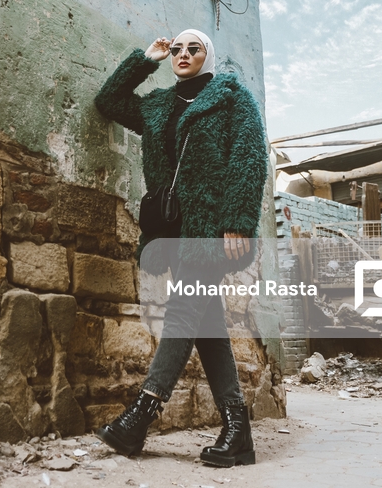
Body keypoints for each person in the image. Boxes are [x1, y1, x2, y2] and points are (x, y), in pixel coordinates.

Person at [92, 30, 268, 468]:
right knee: (206, 325)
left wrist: (237, 221)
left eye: (194, 48)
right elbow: (109, 102)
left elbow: (249, 156)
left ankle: (141, 414)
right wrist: (144, 60)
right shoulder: (157, 105)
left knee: (185, 310)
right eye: (176, 49)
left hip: (212, 226)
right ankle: (238, 430)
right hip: (171, 229)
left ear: (208, 56)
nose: (183, 54)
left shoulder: (231, 97)